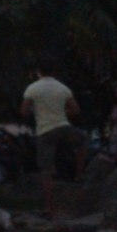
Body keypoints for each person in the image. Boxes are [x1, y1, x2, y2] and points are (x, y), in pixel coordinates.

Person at [20, 57, 87, 216]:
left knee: (46, 170)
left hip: (45, 131)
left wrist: (37, 111)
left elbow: (23, 112)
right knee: (82, 140)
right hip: (62, 126)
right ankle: (79, 173)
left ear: (38, 72)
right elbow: (75, 110)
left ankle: (49, 208)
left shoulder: (32, 88)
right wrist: (61, 112)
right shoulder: (63, 88)